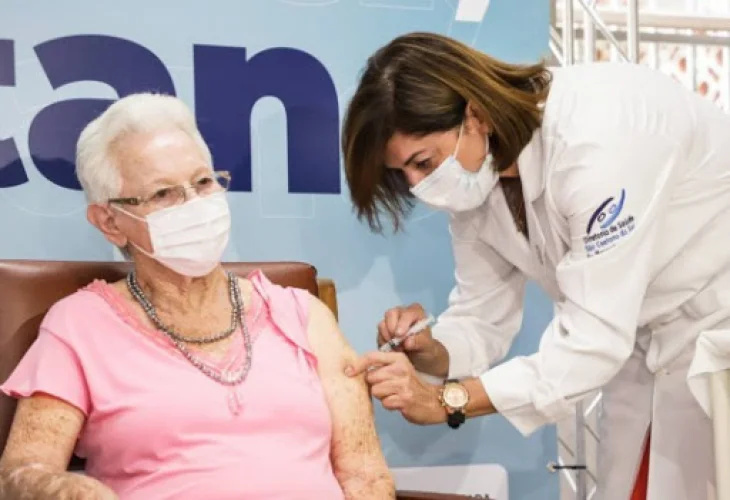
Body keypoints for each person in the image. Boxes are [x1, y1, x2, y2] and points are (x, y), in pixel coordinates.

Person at [341, 31, 730, 500]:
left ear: (475, 115)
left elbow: (592, 340)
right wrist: (431, 350)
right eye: (402, 175)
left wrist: (449, 401)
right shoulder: (476, 179)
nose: (419, 185)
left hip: (715, 325)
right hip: (642, 347)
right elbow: (482, 318)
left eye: (423, 163)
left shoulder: (597, 141)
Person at [0, 93, 394, 500]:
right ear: (110, 222)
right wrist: (65, 490)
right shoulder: (80, 326)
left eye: (203, 183)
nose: (193, 205)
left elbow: (366, 478)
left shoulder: (304, 316)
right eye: (163, 194)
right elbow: (21, 472)